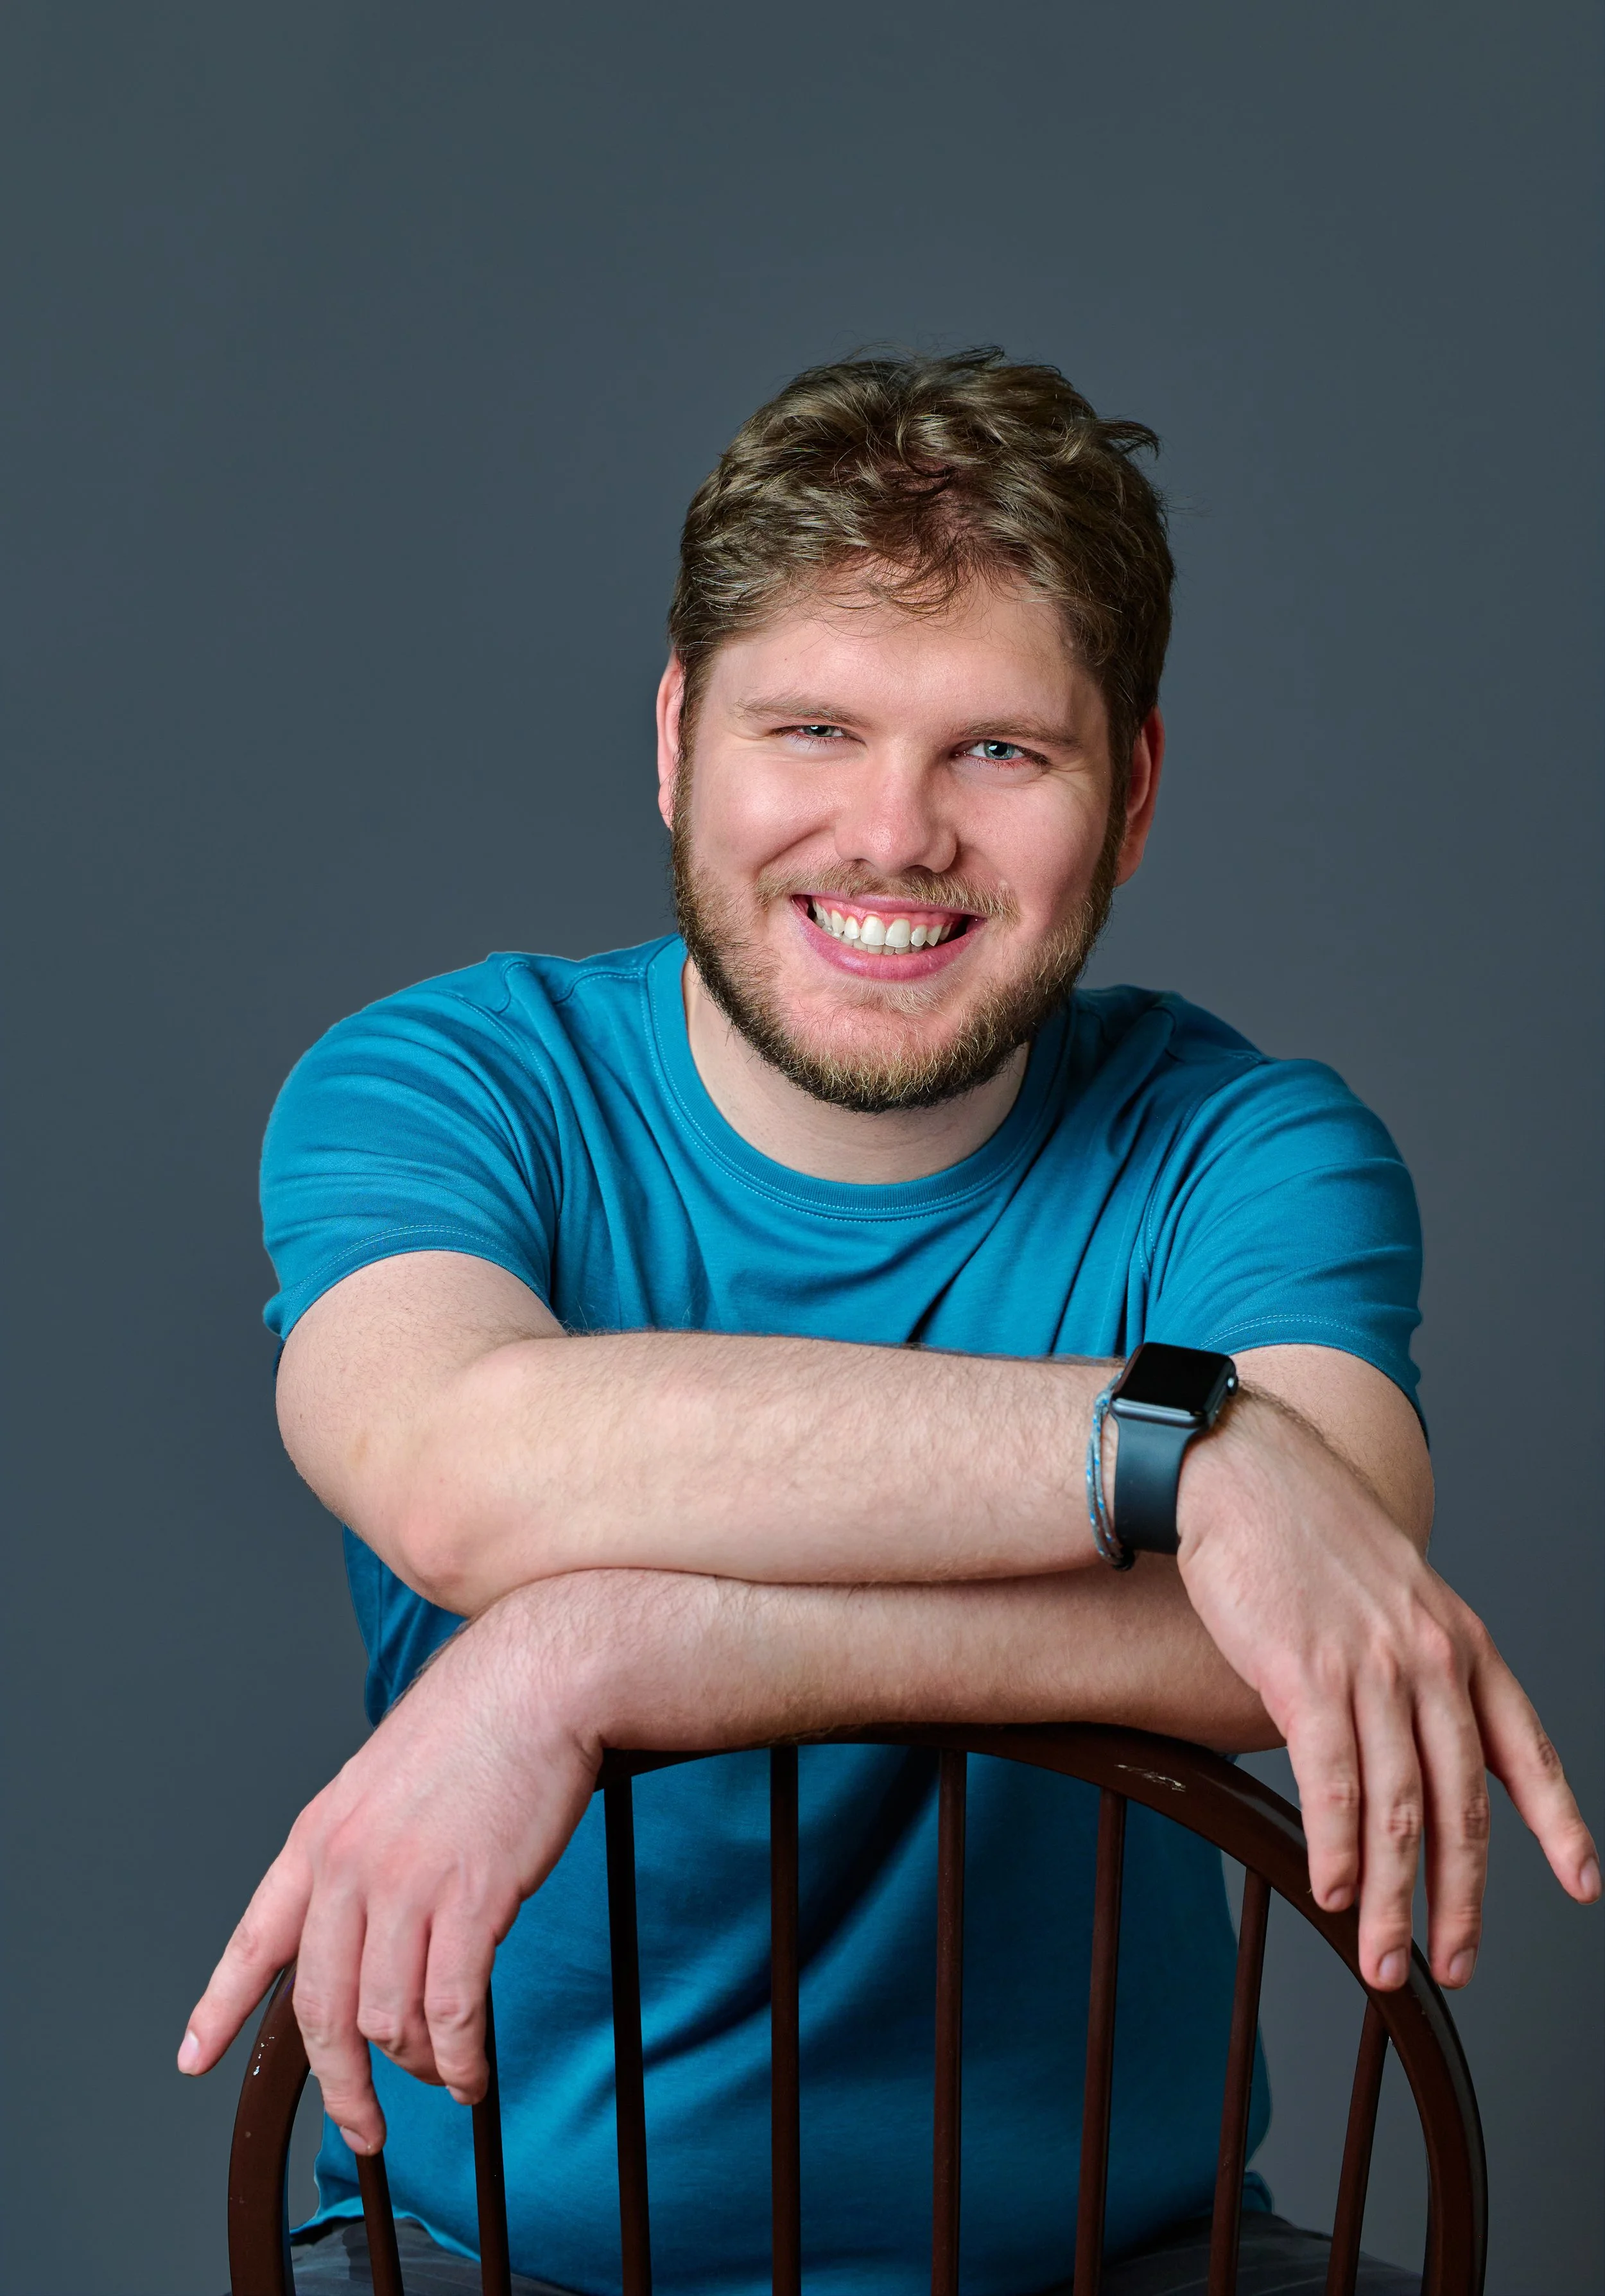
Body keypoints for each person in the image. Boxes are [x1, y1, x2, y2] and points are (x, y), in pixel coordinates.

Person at [180, 351, 1596, 2296]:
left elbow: (1307, 1629)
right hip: (486, 2257)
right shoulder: (445, 1082)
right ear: (679, 737)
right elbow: (455, 1470)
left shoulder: (1252, 1149)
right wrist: (1172, 1452)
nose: (893, 832)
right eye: (813, 728)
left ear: (1133, 793)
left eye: (999, 753)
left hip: (1132, 2268)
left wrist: (611, 1648)